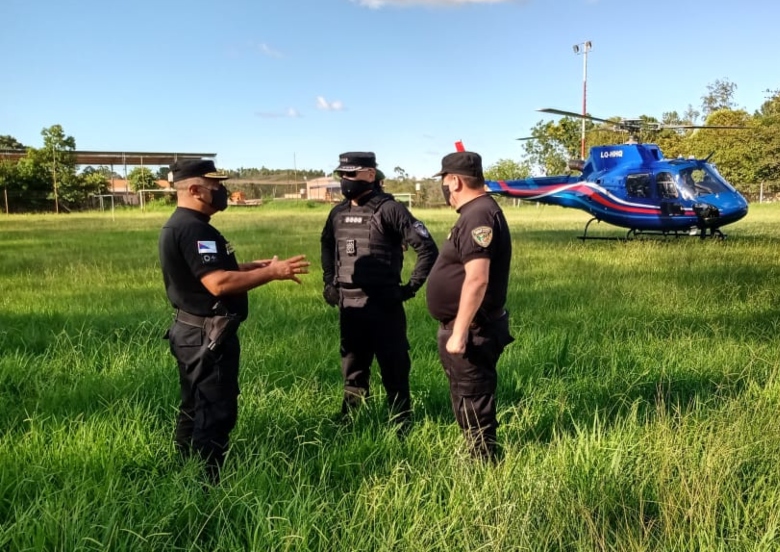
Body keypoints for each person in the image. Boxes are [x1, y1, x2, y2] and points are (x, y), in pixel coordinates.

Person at [159, 158, 310, 482]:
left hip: (191, 330)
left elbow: (208, 272)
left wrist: (252, 266)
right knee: (215, 410)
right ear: (196, 189)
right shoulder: (194, 228)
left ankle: (185, 466)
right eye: (216, 187)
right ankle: (206, 484)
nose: (224, 192)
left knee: (194, 404)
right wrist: (271, 273)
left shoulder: (182, 224)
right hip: (207, 335)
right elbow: (218, 283)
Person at [320, 152, 438, 429]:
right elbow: (327, 245)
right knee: (352, 368)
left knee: (394, 368)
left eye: (351, 174)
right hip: (349, 305)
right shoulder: (337, 213)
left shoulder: (390, 209)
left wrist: (409, 289)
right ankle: (349, 423)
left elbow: (427, 249)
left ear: (370, 175)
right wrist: (329, 281)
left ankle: (401, 424)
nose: (345, 180)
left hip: (384, 306)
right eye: (342, 174)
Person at [425, 151, 514, 461]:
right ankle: (478, 455)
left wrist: (460, 331)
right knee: (466, 395)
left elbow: (477, 279)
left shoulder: (478, 215)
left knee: (474, 398)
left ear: (455, 181)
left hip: (474, 329)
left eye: (444, 180)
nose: (444, 188)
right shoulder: (476, 212)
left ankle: (484, 465)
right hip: (467, 326)